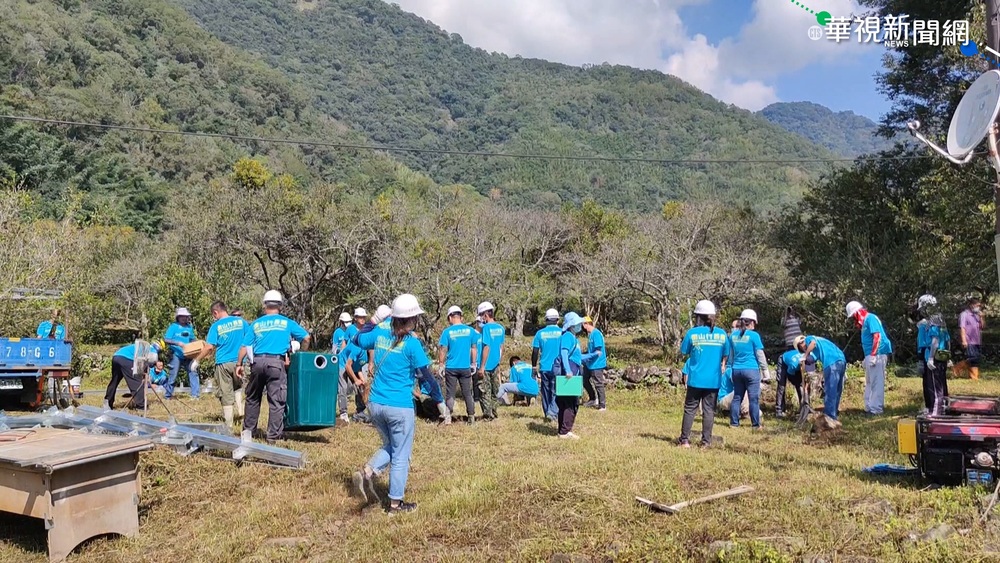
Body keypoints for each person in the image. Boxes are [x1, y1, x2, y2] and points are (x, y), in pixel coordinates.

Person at [350, 294, 449, 514]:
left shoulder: (379, 332)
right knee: (401, 454)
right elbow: (426, 376)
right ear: (412, 318)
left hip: (375, 404)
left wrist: (374, 320)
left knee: (393, 447)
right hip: (399, 407)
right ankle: (395, 504)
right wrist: (440, 401)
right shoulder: (412, 344)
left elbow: (356, 340)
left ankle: (368, 471)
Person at [237, 290, 310, 444]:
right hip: (276, 364)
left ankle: (248, 432)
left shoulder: (256, 323)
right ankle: (272, 437)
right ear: (280, 306)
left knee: (252, 398)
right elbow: (306, 337)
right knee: (276, 401)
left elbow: (245, 345)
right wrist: (299, 355)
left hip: (257, 363)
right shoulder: (286, 322)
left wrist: (239, 364)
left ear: (265, 306)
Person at [677, 300, 729, 447]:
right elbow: (726, 354)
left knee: (690, 409)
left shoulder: (692, 333)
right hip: (713, 380)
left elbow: (683, 351)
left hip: (695, 379)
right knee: (709, 411)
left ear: (698, 317)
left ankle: (684, 440)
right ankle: (706, 442)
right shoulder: (722, 334)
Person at [194, 302, 253, 428]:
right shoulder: (241, 322)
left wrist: (197, 360)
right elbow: (250, 339)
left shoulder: (216, 326)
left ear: (215, 312)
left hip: (223, 363)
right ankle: (242, 412)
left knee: (226, 393)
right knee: (239, 388)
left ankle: (229, 425)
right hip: (240, 362)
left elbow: (209, 347)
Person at [554, 312, 599, 439]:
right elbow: (564, 353)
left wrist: (593, 355)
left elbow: (578, 357)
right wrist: (568, 370)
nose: (580, 325)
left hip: (574, 370)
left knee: (568, 401)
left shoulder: (573, 338)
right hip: (570, 372)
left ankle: (564, 429)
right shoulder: (568, 336)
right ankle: (565, 431)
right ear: (572, 325)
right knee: (570, 402)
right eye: (578, 323)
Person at [846, 301, 892, 416]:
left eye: (853, 317)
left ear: (857, 312)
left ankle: (876, 410)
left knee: (877, 382)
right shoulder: (865, 322)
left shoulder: (871, 318)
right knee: (870, 382)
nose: (854, 320)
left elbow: (877, 336)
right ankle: (869, 407)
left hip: (878, 355)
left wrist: (873, 354)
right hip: (871, 355)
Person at [729, 309, 769, 429]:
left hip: (736, 370)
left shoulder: (733, 336)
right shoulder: (754, 336)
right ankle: (755, 424)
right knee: (753, 399)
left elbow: (731, 354)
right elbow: (759, 354)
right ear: (751, 322)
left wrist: (730, 367)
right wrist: (765, 371)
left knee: (737, 397)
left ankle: (734, 423)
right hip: (751, 370)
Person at [438, 305, 477, 424]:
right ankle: (471, 417)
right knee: (467, 393)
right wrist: (473, 363)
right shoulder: (470, 331)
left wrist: (441, 364)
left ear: (450, 317)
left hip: (451, 367)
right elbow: (473, 348)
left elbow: (443, 349)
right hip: (465, 367)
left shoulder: (447, 332)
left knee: (450, 393)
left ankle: (448, 417)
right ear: (461, 316)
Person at [796, 333, 846, 420]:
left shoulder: (809, 339)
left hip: (831, 363)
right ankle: (834, 413)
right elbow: (811, 362)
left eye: (802, 348)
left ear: (801, 343)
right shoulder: (818, 349)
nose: (804, 349)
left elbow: (812, 344)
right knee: (837, 390)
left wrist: (805, 356)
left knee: (830, 391)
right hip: (841, 360)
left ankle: (829, 417)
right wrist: (805, 368)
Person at [104, 340, 162, 410]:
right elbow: (151, 362)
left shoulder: (143, 346)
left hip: (116, 356)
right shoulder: (152, 350)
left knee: (114, 381)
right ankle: (141, 406)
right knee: (136, 382)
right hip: (127, 359)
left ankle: (108, 402)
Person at [476, 302, 505, 421]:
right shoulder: (501, 328)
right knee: (495, 389)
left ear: (485, 315)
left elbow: (486, 347)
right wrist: (498, 361)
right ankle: (494, 411)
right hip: (495, 363)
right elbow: (501, 347)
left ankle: (488, 415)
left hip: (486, 364)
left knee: (484, 390)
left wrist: (482, 366)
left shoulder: (486, 328)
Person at [532, 309, 562, 422]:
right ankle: (552, 413)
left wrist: (534, 367)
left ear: (546, 320)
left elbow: (535, 351)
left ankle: (547, 413)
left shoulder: (539, 334)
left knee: (545, 392)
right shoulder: (562, 333)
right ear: (557, 320)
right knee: (556, 391)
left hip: (544, 367)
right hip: (558, 367)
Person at [164, 307, 200, 400]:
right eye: (182, 316)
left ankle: (195, 395)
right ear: (178, 317)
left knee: (193, 371)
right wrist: (177, 343)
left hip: (188, 353)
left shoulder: (189, 327)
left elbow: (192, 338)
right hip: (176, 353)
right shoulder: (173, 326)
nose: (184, 318)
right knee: (173, 374)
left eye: (185, 316)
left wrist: (198, 343)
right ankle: (168, 395)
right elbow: (166, 339)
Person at [924, 298, 951, 415]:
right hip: (943, 357)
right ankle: (945, 409)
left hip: (935, 357)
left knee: (936, 388)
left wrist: (930, 358)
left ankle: (936, 413)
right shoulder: (942, 324)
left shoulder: (933, 323)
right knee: (942, 385)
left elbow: (934, 341)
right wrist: (948, 357)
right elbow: (948, 341)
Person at [775, 347, 815, 418]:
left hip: (797, 363)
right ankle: (779, 410)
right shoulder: (793, 365)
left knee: (803, 385)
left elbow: (809, 377)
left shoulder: (812, 357)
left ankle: (805, 407)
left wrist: (806, 384)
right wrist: (798, 383)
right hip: (784, 361)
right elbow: (791, 376)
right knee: (782, 385)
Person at [581, 316, 608, 411]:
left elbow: (598, 350)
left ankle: (602, 405)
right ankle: (593, 399)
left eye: (583, 325)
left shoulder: (596, 334)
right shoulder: (590, 335)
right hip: (589, 364)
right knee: (584, 380)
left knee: (598, 383)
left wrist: (588, 357)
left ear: (586, 324)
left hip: (597, 364)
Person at [956, 297, 985, 380]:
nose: (978, 307)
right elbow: (962, 328)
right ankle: (970, 374)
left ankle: (973, 375)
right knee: (972, 358)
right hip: (969, 340)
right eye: (977, 305)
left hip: (977, 340)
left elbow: (982, 327)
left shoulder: (977, 315)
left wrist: (982, 317)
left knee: (976, 358)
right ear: (971, 305)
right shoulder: (964, 314)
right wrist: (964, 340)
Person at [343, 339, 371, 423]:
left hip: (353, 368)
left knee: (362, 386)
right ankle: (343, 414)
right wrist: (355, 380)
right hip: (342, 365)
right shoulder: (358, 349)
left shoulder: (367, 355)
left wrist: (362, 379)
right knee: (343, 388)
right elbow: (348, 365)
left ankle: (360, 412)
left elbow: (357, 367)